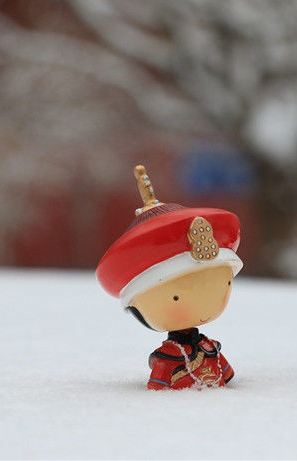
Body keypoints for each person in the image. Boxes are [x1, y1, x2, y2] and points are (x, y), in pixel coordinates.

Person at [96, 165, 242, 389]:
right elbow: (157, 387)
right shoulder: (169, 356)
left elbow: (228, 375)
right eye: (177, 297)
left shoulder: (210, 348)